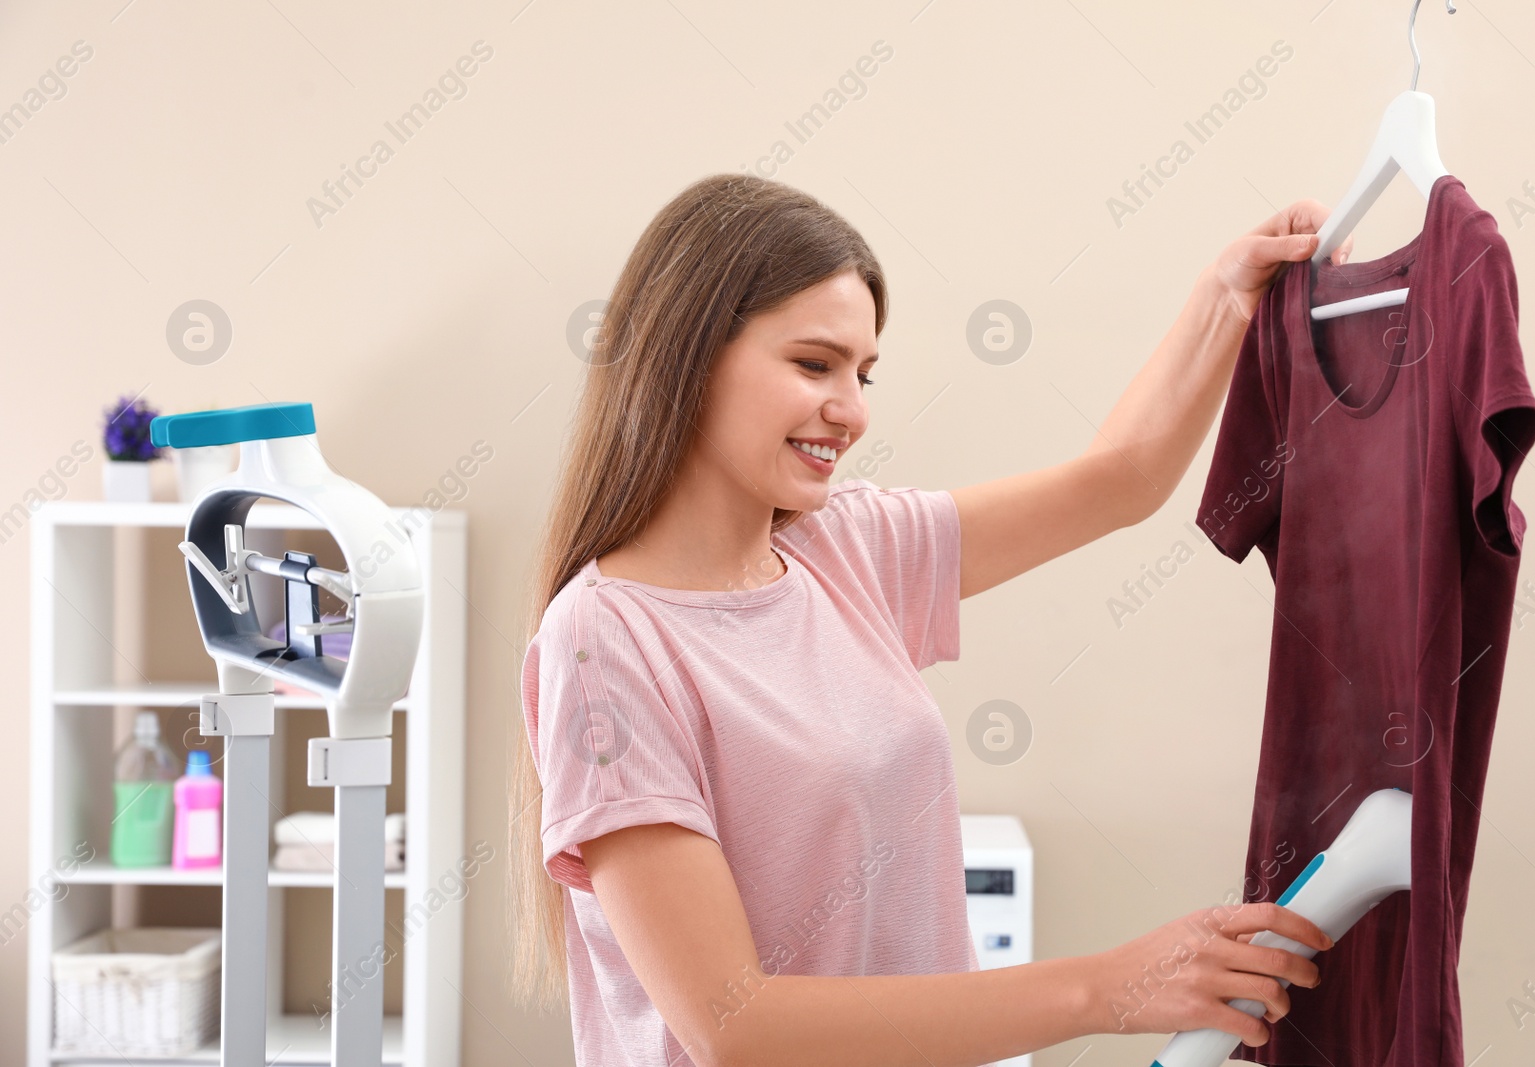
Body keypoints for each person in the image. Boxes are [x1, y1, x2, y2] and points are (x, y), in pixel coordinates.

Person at [510, 173, 1355, 1067]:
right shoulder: (604, 642)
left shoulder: (846, 547)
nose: (853, 409)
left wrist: (1228, 293)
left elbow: (1120, 479)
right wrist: (1109, 987)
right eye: (813, 363)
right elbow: (736, 1025)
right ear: (688, 354)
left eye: (863, 373)